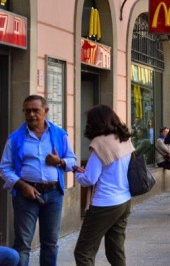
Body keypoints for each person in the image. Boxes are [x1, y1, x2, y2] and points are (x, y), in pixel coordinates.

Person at [0, 94, 78, 265]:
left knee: (50, 243)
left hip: (53, 194)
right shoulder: (15, 138)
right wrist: (21, 185)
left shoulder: (59, 134)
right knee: (23, 244)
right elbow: (4, 168)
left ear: (46, 111)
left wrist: (60, 161)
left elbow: (73, 160)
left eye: (36, 110)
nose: (31, 114)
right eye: (27, 111)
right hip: (26, 196)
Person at [73, 105, 134, 266]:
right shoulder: (124, 138)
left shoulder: (99, 144)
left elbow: (89, 179)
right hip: (124, 199)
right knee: (116, 251)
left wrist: (76, 171)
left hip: (104, 203)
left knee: (83, 252)